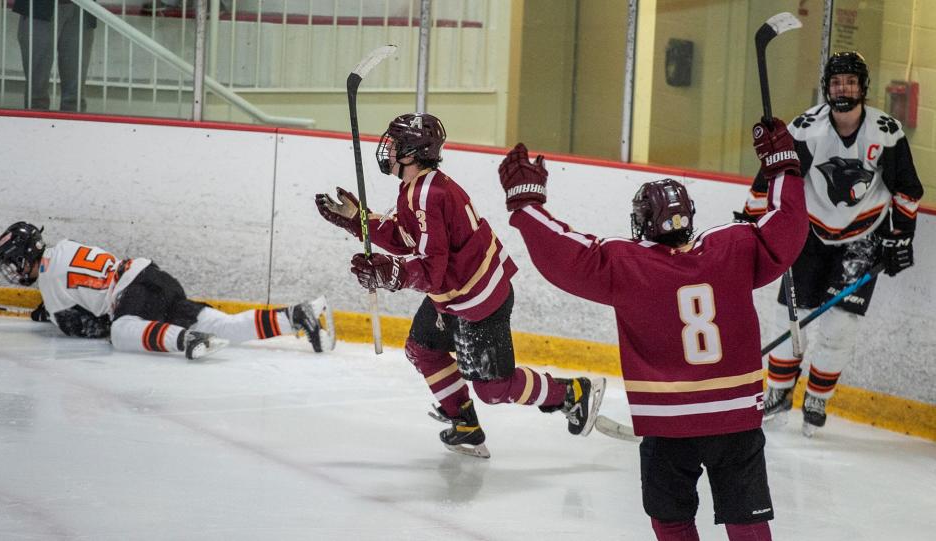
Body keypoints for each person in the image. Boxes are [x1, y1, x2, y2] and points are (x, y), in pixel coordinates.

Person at [497, 117, 808, 540]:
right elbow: (787, 223)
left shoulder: (625, 264)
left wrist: (527, 206)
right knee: (747, 518)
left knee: (672, 520)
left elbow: (563, 255)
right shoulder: (734, 246)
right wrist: (783, 169)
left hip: (667, 424)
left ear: (643, 221)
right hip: (735, 419)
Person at [314, 112, 606, 459]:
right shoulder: (419, 187)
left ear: (410, 151)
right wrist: (358, 221)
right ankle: (464, 423)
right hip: (453, 296)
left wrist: (392, 274)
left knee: (493, 389)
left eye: (394, 144)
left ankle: (571, 393)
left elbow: (431, 271)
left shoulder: (426, 194)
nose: (387, 149)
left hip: (478, 302)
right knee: (422, 348)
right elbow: (408, 238)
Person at [736, 51, 924, 436]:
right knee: (789, 316)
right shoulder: (805, 130)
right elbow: (771, 178)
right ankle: (778, 390)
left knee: (841, 325)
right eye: (837, 82)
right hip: (807, 233)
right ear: (827, 87)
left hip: (862, 239)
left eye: (851, 81)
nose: (844, 88)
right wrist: (755, 223)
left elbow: (907, 189)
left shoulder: (885, 132)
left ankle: (818, 395)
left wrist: (899, 235)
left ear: (863, 88)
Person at [0, 222, 333, 360]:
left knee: (120, 332)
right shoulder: (64, 248)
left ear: (25, 256)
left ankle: (186, 341)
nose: (14, 271)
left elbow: (87, 328)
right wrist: (51, 311)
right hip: (156, 279)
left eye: (13, 263)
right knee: (224, 325)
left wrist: (50, 315)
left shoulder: (47, 280)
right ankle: (297, 316)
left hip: (134, 296)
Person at [13, 0, 96, 112]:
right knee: (37, 94)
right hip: (38, 8)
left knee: (75, 97)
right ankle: (36, 126)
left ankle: (73, 127)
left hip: (82, 8)